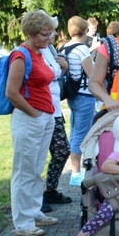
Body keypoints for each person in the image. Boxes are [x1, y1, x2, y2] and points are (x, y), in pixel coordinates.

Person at [6, 10, 59, 236]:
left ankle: (35, 211)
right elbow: (11, 92)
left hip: (43, 117)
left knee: (36, 169)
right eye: (44, 34)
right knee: (24, 171)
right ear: (29, 33)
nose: (49, 38)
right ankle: (23, 222)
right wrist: (34, 114)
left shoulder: (39, 52)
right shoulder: (21, 55)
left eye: (50, 34)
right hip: (30, 119)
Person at [61, 16, 96, 187]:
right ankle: (76, 173)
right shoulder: (82, 49)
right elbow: (92, 73)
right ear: (85, 31)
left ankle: (76, 170)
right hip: (85, 94)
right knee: (82, 134)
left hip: (72, 95)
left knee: (75, 130)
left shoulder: (64, 48)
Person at [41, 32, 72, 212]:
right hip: (39, 112)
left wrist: (64, 68)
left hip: (54, 110)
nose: (52, 34)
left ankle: (50, 189)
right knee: (37, 158)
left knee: (62, 151)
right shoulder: (30, 52)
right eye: (47, 31)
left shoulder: (51, 49)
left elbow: (55, 76)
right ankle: (34, 198)